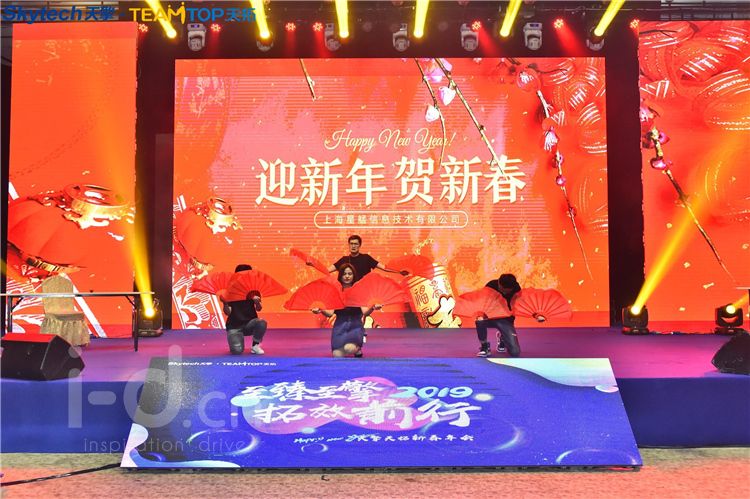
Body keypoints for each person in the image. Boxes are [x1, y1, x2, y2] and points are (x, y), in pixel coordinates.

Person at [311, 263, 381, 357]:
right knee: (337, 355)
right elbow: (330, 313)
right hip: (340, 328)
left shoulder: (359, 291)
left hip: (355, 327)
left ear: (353, 275)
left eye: (350, 274)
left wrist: (373, 307)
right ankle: (349, 348)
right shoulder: (336, 292)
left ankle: (357, 348)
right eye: (344, 274)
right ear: (340, 276)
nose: (347, 276)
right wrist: (320, 310)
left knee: (349, 348)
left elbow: (365, 312)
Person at [319, 235, 408, 283]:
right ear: (348, 245)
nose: (353, 246)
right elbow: (326, 270)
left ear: (360, 245)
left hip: (364, 291)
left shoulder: (366, 258)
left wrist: (399, 272)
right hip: (349, 291)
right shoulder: (344, 260)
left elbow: (384, 268)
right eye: (351, 244)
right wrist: (313, 265)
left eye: (356, 244)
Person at [222, 264, 267, 355]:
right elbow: (228, 312)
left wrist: (257, 302)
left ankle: (255, 346)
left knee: (262, 322)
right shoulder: (230, 291)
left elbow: (259, 309)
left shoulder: (254, 290)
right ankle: (235, 338)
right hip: (234, 326)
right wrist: (225, 303)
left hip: (249, 324)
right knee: (237, 351)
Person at [476, 273, 522, 358]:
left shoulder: (516, 288)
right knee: (479, 321)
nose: (503, 292)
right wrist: (481, 315)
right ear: (499, 283)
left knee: (515, 352)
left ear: (512, 288)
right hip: (490, 317)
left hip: (505, 319)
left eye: (506, 291)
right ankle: (485, 347)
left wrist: (536, 315)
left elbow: (522, 304)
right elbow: (484, 302)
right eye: (502, 289)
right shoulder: (491, 286)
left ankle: (503, 337)